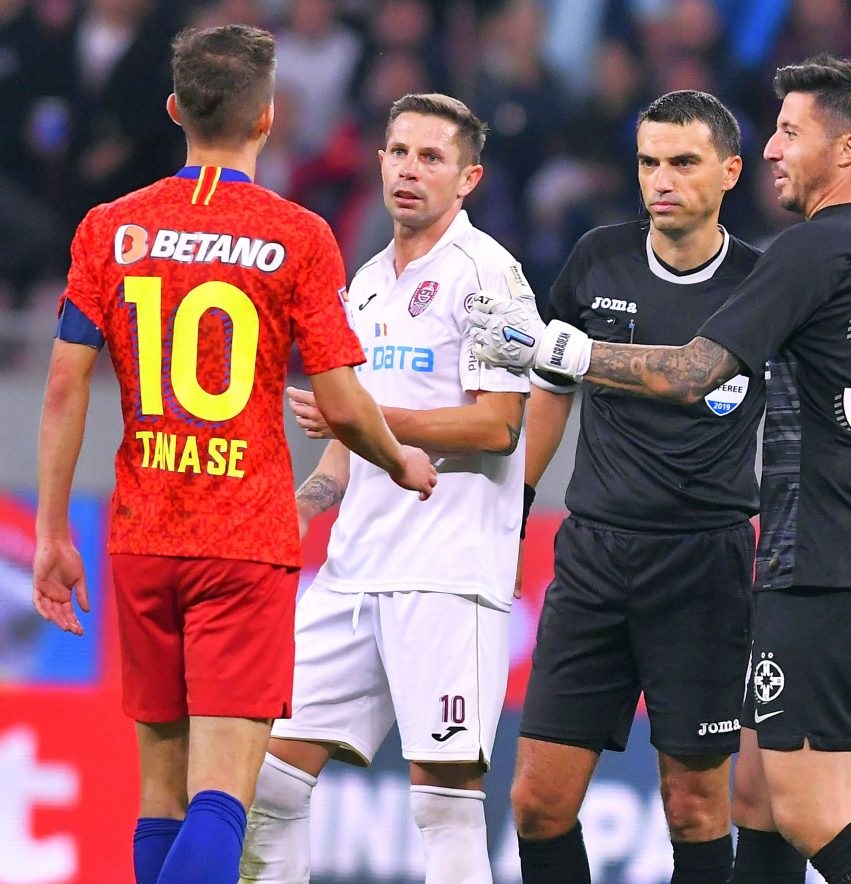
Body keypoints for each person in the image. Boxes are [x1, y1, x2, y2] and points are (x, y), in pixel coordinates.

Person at [471, 55, 851, 884]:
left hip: (806, 560)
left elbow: (692, 373)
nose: (775, 150)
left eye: (790, 132)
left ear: (848, 148)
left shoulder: (804, 252)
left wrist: (558, 348)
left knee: (807, 810)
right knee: (757, 799)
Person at [31, 24, 436, 884]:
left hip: (143, 533)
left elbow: (64, 389)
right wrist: (399, 460)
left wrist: (52, 531)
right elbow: (340, 401)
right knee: (220, 798)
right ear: (267, 118)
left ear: (175, 110)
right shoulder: (298, 236)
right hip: (243, 540)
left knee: (160, 793)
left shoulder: (111, 227)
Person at [237, 93, 530, 884]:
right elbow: (350, 440)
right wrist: (306, 503)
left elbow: (499, 425)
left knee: (444, 804)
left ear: (468, 178)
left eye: (431, 157)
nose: (409, 170)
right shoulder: (365, 281)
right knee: (266, 780)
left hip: (447, 575)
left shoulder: (491, 278)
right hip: (353, 571)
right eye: (399, 152)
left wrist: (365, 415)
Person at [508, 90, 762, 884]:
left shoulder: (762, 285)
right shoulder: (597, 258)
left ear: (730, 171)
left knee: (694, 808)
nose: (662, 180)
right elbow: (552, 388)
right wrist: (517, 505)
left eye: (683, 162)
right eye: (649, 162)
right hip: (593, 559)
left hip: (704, 567)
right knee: (537, 804)